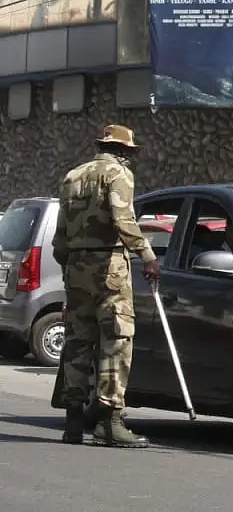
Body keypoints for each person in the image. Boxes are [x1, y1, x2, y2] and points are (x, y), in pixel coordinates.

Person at [52, 124, 160, 448]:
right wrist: (148, 256)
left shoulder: (72, 177)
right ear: (124, 151)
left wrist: (71, 265)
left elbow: (60, 237)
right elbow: (123, 219)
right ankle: (110, 421)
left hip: (76, 267)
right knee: (117, 339)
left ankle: (73, 422)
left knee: (77, 343)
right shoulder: (118, 174)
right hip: (109, 266)